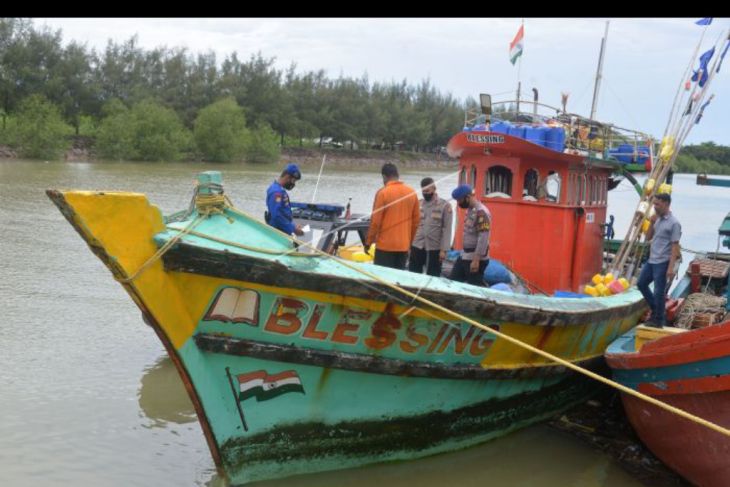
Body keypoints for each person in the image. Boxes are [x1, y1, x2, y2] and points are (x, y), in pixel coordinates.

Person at [637, 192, 682, 327]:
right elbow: (648, 237)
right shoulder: (658, 220)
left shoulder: (674, 223)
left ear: (666, 204)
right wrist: (651, 222)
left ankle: (658, 320)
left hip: (663, 262)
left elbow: (675, 246)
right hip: (652, 260)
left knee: (658, 291)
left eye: (657, 204)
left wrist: (670, 267)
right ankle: (657, 311)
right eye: (654, 204)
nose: (655, 207)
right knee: (641, 284)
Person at [365, 163, 420, 270]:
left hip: (385, 247)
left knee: (383, 280)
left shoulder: (383, 193)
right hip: (403, 247)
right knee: (397, 278)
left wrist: (368, 242)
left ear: (384, 176)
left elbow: (375, 222)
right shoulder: (412, 192)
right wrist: (409, 242)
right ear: (397, 175)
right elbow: (416, 222)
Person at [409, 177, 453, 277]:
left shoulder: (445, 206)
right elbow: (412, 225)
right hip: (417, 244)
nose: (425, 193)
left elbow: (447, 229)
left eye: (427, 191)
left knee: (433, 275)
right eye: (423, 191)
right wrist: (409, 245)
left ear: (434, 188)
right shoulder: (418, 204)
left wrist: (443, 250)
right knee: (413, 274)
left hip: (434, 247)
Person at [450, 184, 491, 286]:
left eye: (459, 200)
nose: (458, 203)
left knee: (475, 287)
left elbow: (483, 238)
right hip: (465, 255)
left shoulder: (481, 212)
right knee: (453, 281)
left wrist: (476, 260)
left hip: (475, 258)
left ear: (468, 197)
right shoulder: (470, 210)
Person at [265, 163, 304, 237]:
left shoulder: (279, 189)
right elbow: (276, 216)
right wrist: (294, 229)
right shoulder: (276, 192)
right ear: (287, 177)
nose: (293, 184)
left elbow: (283, 214)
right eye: (293, 181)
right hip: (277, 233)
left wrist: (293, 226)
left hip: (282, 230)